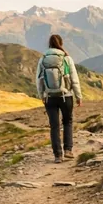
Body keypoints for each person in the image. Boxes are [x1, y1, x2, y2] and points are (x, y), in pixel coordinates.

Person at [36, 34, 83, 163]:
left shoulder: (43, 58)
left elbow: (39, 79)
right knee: (67, 122)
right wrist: (78, 96)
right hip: (66, 96)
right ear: (61, 43)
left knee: (54, 126)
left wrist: (42, 95)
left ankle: (57, 155)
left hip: (49, 97)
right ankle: (68, 150)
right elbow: (74, 78)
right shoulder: (66, 58)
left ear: (49, 44)